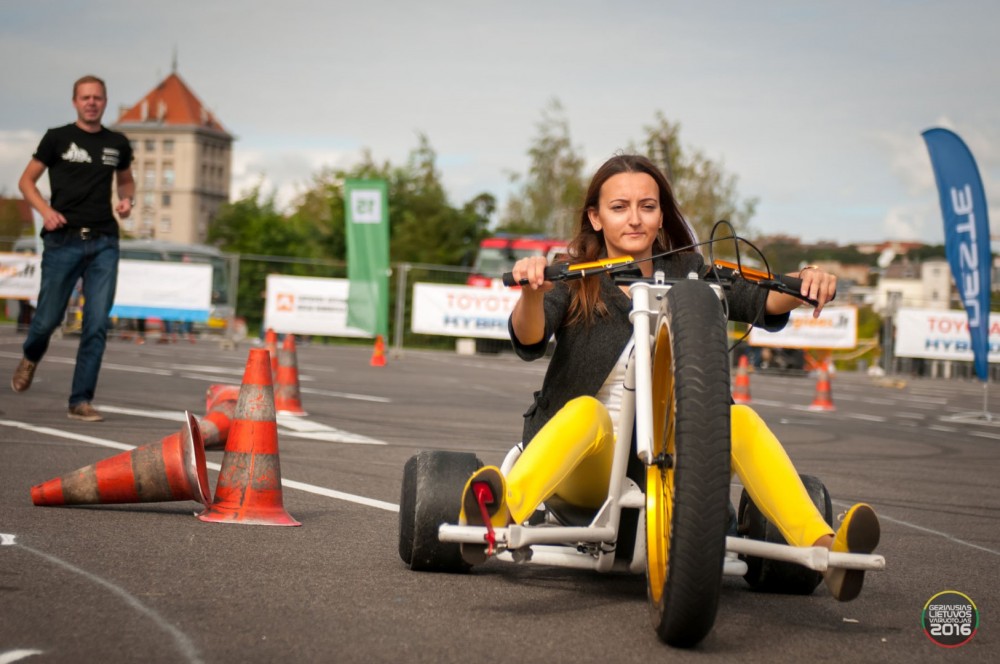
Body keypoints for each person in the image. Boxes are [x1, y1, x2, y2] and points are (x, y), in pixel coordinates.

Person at [459, 154, 879, 602]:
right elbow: (530, 337)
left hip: (678, 468)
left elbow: (763, 299)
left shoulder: (691, 274)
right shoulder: (571, 274)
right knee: (586, 412)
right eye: (619, 207)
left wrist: (806, 281)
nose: (635, 219)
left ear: (662, 216)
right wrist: (532, 293)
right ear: (596, 218)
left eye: (648, 206)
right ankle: (498, 515)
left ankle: (826, 552)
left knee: (739, 420)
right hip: (588, 467)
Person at [11, 75, 135, 422]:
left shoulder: (117, 143)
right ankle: (31, 357)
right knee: (47, 320)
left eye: (97, 97)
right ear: (75, 102)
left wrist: (127, 200)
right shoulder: (58, 138)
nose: (91, 102)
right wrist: (46, 212)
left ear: (105, 101)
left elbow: (126, 180)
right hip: (62, 240)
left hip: (104, 243)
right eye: (85, 97)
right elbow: (26, 181)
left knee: (96, 323)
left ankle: (80, 400)